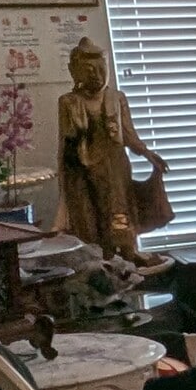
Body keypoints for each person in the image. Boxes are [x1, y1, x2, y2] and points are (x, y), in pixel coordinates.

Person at [55, 38, 169, 266]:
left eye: (100, 69)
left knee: (121, 209)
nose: (96, 75)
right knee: (90, 213)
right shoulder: (69, 101)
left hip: (115, 165)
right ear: (74, 72)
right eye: (88, 70)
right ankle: (103, 256)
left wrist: (148, 154)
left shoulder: (117, 98)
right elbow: (68, 140)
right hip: (85, 167)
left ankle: (128, 250)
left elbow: (129, 134)